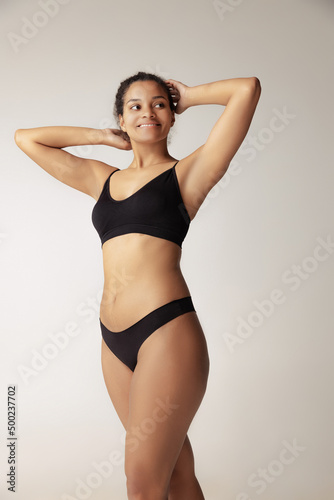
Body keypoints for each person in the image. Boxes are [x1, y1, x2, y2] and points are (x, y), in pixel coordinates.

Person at [15, 71, 261, 500]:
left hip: (165, 331)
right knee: (178, 475)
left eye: (159, 104)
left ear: (171, 116)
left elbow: (247, 90)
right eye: (135, 106)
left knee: (142, 484)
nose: (148, 111)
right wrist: (103, 137)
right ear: (122, 118)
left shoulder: (187, 175)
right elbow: (26, 138)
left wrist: (188, 94)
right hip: (114, 341)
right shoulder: (102, 180)